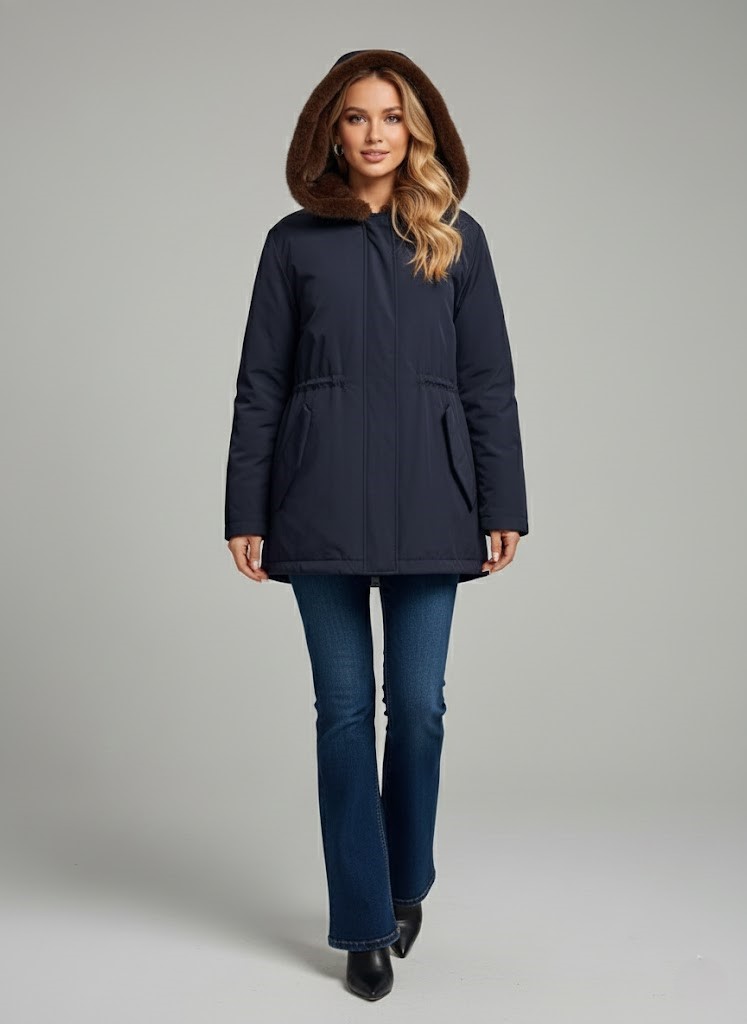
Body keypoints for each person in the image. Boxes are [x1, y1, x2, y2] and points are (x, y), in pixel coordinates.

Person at [224, 49, 529, 1001]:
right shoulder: (291, 243)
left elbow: (487, 382)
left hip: (431, 498)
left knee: (421, 709)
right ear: (329, 130)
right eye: (355, 117)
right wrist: (245, 508)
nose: (373, 134)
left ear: (416, 129)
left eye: (391, 117)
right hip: (314, 503)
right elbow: (260, 384)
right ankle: (362, 922)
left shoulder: (456, 237)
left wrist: (502, 502)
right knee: (345, 713)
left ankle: (405, 881)